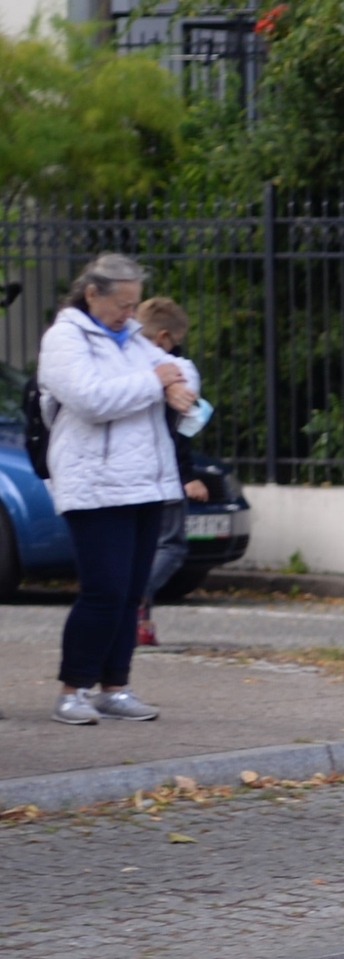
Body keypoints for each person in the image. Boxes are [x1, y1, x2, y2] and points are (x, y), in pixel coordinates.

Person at [37, 254, 193, 724]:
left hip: (145, 481)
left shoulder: (130, 339)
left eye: (133, 304)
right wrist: (157, 382)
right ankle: (73, 690)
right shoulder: (66, 337)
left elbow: (179, 367)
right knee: (103, 590)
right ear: (92, 294)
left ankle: (115, 687)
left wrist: (173, 383)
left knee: (131, 593)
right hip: (95, 483)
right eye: (122, 304)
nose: (130, 314)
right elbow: (91, 398)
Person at [134, 297, 212, 648]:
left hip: (127, 474)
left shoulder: (122, 361)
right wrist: (188, 474)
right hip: (162, 473)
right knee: (171, 547)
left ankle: (142, 623)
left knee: (143, 548)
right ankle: (133, 598)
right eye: (175, 339)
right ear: (164, 336)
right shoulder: (179, 371)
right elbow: (179, 428)